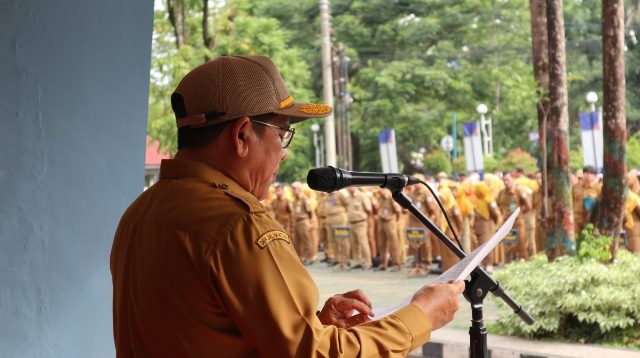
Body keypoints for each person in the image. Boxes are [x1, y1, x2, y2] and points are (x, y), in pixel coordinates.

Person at [110, 55, 464, 357]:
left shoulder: (141, 213)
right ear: (242, 135)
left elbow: (203, 332)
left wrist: (315, 323)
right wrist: (420, 316)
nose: (283, 152)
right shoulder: (236, 224)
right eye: (282, 135)